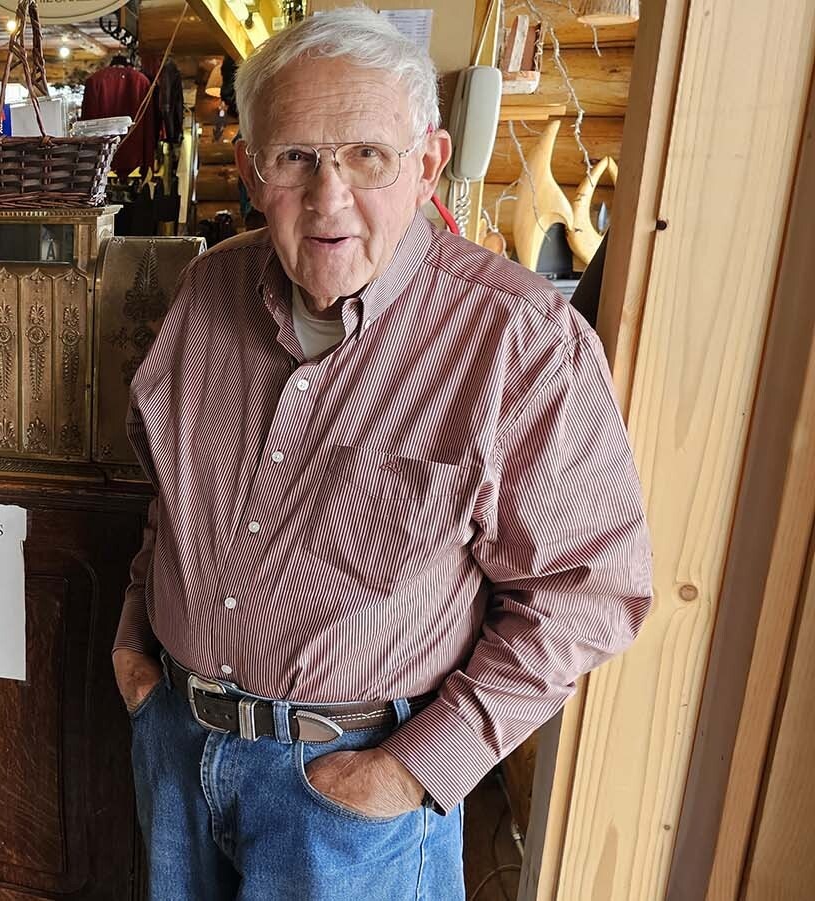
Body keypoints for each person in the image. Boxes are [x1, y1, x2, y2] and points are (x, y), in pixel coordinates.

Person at [112, 10, 654, 900]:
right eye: (294, 159)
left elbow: (589, 591)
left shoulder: (518, 338)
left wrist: (408, 772)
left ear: (428, 163)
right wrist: (136, 648)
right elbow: (168, 494)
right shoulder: (207, 289)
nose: (329, 200)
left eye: (367, 156)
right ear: (251, 172)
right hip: (175, 745)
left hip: (351, 789)